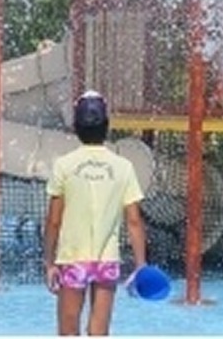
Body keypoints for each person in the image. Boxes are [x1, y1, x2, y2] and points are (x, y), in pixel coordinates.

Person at [43, 90, 148, 336]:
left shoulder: (64, 165)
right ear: (107, 126)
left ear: (76, 126)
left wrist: (49, 261)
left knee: (68, 331)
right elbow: (134, 221)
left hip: (72, 259)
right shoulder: (123, 167)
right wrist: (141, 264)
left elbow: (54, 221)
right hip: (106, 260)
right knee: (99, 332)